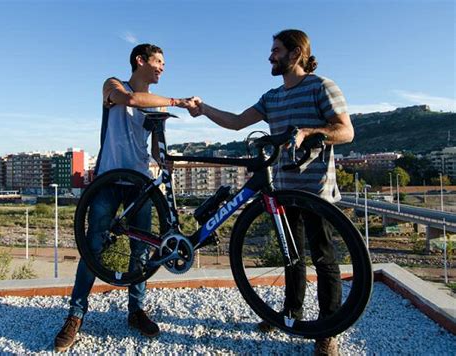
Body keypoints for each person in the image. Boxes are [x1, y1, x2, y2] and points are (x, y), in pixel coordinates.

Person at [187, 29, 354, 356]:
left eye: (276, 50)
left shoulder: (321, 87)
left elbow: (346, 130)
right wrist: (203, 108)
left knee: (322, 258)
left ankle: (327, 330)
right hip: (283, 191)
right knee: (292, 256)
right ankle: (290, 313)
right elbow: (236, 122)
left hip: (317, 191)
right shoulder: (272, 97)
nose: (270, 56)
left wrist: (310, 132)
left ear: (295, 54)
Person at [54, 43, 196, 352]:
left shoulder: (156, 105)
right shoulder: (112, 85)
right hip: (107, 180)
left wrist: (165, 158)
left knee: (141, 251)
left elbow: (156, 146)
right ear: (140, 60)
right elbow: (130, 99)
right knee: (93, 247)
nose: (162, 67)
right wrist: (179, 102)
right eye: (158, 61)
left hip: (140, 183)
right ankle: (75, 316)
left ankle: (136, 311)